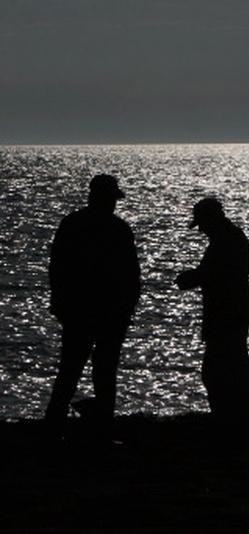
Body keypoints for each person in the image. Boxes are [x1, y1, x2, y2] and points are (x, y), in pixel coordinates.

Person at [45, 174, 141, 432]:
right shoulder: (119, 230)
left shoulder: (72, 224)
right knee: (105, 372)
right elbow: (131, 275)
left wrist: (60, 303)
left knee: (69, 370)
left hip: (79, 311)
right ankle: (102, 426)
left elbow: (57, 269)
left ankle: (54, 425)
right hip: (109, 313)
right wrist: (128, 308)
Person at [176, 198, 249, 419]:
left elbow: (217, 274)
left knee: (217, 370)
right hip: (232, 311)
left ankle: (228, 417)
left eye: (201, 223)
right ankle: (239, 415)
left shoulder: (225, 241)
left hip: (226, 314)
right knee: (234, 366)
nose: (200, 229)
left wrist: (192, 278)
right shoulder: (231, 237)